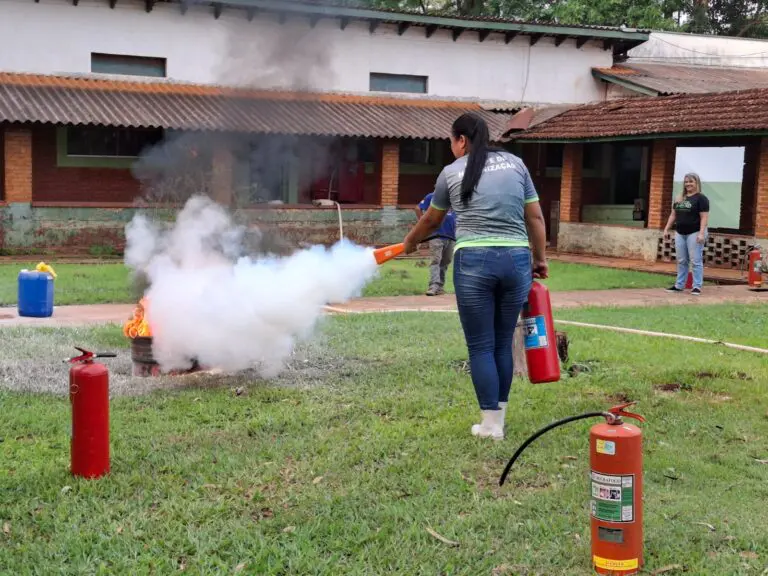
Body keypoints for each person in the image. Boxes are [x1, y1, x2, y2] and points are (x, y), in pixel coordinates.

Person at [402, 112, 548, 440]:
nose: (451, 147)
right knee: (501, 341)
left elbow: (431, 221)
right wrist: (540, 259)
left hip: (474, 263)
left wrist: (410, 242)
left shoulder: (450, 173)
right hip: (515, 260)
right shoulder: (516, 165)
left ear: (462, 141)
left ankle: (490, 425)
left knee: (480, 345)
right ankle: (498, 420)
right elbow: (536, 218)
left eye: (451, 141)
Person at [663, 172, 709, 296]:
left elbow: (704, 217)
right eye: (686, 182)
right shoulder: (679, 198)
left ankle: (696, 286)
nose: (688, 184)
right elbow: (673, 215)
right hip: (680, 233)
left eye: (691, 181)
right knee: (682, 260)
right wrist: (666, 228)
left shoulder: (701, 198)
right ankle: (679, 285)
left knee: (695, 260)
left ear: (696, 183)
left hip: (695, 233)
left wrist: (701, 233)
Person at [416, 192, 456, 296]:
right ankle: (433, 285)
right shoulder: (432, 196)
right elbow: (418, 208)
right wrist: (423, 223)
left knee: (446, 261)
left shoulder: (456, 197)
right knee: (436, 260)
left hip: (451, 235)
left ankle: (440, 287)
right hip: (436, 235)